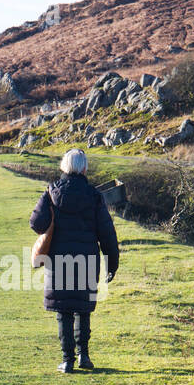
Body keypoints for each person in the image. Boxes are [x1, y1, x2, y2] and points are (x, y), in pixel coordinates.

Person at [29, 149, 120, 373]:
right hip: (86, 260)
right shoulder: (94, 196)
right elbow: (106, 233)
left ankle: (67, 360)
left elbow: (36, 224)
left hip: (59, 260)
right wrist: (112, 262)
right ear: (84, 168)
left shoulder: (51, 192)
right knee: (83, 309)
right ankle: (84, 356)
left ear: (63, 166)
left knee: (64, 312)